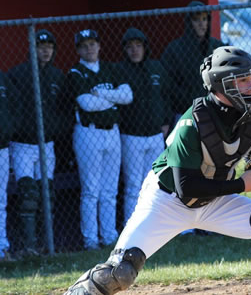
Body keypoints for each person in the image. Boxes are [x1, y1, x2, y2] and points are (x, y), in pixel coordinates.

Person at [64, 46, 251, 295]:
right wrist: (242, 184)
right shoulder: (192, 123)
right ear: (220, 85)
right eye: (243, 81)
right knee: (120, 272)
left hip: (214, 201)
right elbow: (187, 186)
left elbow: (249, 150)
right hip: (167, 201)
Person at [65, 29, 133, 250]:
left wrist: (102, 95)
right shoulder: (75, 72)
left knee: (110, 190)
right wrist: (113, 99)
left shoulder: (110, 68)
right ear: (78, 50)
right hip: (88, 132)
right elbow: (86, 104)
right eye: (84, 45)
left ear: (99, 46)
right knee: (91, 190)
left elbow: (127, 96)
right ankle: (91, 240)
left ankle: (110, 236)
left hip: (112, 132)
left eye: (93, 43)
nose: (90, 48)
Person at [7, 29, 65, 254]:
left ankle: (46, 245)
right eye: (41, 47)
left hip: (47, 143)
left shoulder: (57, 76)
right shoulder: (17, 74)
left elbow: (64, 109)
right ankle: (29, 247)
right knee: (28, 194)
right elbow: (12, 107)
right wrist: (18, 127)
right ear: (33, 49)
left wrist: (54, 128)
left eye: (49, 47)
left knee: (46, 194)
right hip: (23, 144)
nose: (45, 51)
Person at [116, 28, 171, 227]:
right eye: (130, 47)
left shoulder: (156, 68)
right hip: (131, 136)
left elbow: (166, 96)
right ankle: (132, 225)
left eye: (138, 46)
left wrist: (165, 122)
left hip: (156, 134)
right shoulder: (120, 70)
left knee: (156, 183)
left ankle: (154, 224)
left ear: (145, 47)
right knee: (133, 185)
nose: (134, 50)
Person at [161, 0, 226, 125]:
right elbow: (167, 85)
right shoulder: (175, 49)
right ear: (189, 22)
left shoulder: (217, 47)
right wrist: (186, 99)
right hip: (185, 112)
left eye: (204, 19)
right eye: (196, 19)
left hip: (213, 111)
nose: (202, 24)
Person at [0, 71, 12, 261]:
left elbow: (13, 108)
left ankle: (1, 247)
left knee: (1, 200)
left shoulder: (2, 77)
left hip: (1, 147)